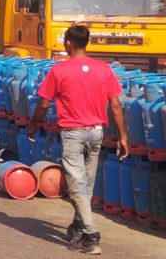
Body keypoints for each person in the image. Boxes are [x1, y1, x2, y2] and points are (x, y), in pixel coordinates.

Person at [27, 25, 127, 255]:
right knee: (86, 184)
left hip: (73, 133)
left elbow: (43, 103)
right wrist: (123, 136)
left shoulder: (59, 70)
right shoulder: (103, 69)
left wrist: (33, 124)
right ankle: (78, 226)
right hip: (96, 132)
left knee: (76, 186)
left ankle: (91, 234)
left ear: (69, 44)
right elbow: (115, 105)